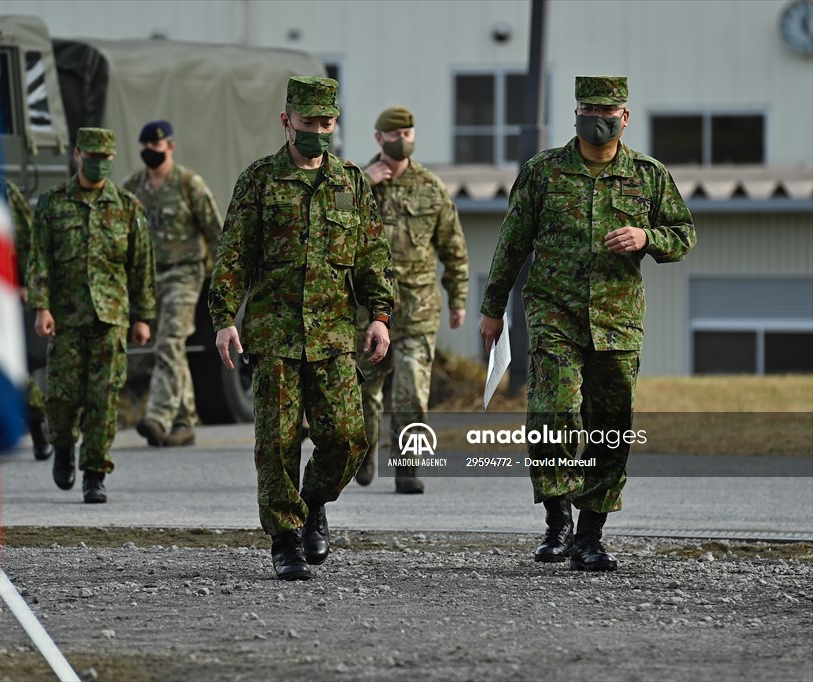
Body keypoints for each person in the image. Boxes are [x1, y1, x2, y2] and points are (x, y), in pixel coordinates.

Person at [478, 76, 696, 571]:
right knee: (554, 412)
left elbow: (683, 234)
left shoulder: (648, 175)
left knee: (611, 426)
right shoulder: (543, 172)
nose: (598, 119)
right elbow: (513, 242)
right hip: (555, 312)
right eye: (588, 109)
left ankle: (591, 534)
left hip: (617, 320)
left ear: (625, 116)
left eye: (609, 110)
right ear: (575, 114)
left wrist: (647, 236)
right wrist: (493, 309)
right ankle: (558, 522)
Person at [209, 76, 395, 581]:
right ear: (286, 121)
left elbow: (372, 255)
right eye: (308, 122)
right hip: (275, 334)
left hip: (335, 335)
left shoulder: (350, 182)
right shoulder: (259, 180)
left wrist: (380, 315)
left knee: (348, 437)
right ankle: (285, 539)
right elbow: (233, 254)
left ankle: (313, 500)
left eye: (326, 123)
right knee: (277, 442)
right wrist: (224, 318)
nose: (318, 131)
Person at [27, 127, 156, 504]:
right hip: (66, 318)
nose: (98, 164)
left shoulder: (128, 207)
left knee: (104, 398)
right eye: (92, 156)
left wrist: (143, 318)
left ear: (112, 159)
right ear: (78, 154)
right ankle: (64, 447)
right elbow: (40, 260)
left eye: (105, 158)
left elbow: (141, 268)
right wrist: (41, 307)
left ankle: (95, 473)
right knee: (63, 398)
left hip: (110, 320)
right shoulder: (52, 203)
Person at [358, 106, 469, 494]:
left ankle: (407, 467)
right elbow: (327, 231)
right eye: (395, 134)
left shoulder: (431, 187)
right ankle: (364, 452)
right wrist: (362, 183)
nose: (403, 139)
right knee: (363, 392)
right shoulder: (354, 183)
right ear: (379, 139)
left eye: (409, 132)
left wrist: (458, 298)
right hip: (367, 311)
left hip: (418, 310)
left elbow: (452, 247)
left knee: (411, 395)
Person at [124, 121, 223, 448]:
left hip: (185, 273)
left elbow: (214, 230)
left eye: (158, 146)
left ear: (170, 146)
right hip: (149, 278)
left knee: (168, 341)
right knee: (173, 349)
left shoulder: (188, 184)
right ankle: (184, 421)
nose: (152, 152)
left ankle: (158, 416)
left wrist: (225, 277)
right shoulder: (134, 186)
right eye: (146, 147)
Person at [4, 177, 54, 462]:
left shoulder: (1, 188)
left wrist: (26, 283)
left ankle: (36, 421)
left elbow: (25, 237)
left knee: (10, 365)